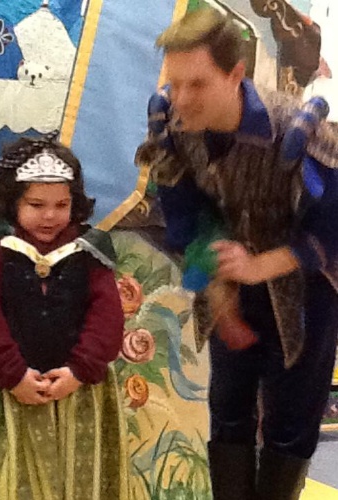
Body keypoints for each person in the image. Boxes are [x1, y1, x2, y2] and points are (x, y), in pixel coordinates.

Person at [137, 7, 338, 500]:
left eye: (198, 84)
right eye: (174, 83)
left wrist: (262, 265)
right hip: (232, 283)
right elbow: (184, 215)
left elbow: (332, 229)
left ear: (235, 75)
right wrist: (219, 282)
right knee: (228, 412)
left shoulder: (295, 132)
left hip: (305, 289)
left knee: (291, 423)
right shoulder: (175, 129)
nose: (182, 99)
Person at [0, 137, 130, 499]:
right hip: (7, 391)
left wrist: (80, 370)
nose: (50, 216)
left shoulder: (89, 251)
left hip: (77, 394)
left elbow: (106, 316)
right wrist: (12, 373)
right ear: (12, 201)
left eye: (61, 205)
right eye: (36, 205)